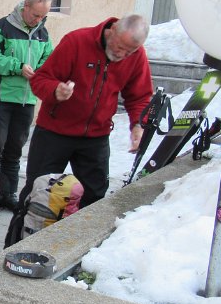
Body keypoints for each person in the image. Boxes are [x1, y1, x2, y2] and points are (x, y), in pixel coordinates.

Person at [18, 14, 153, 211]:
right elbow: (40, 80)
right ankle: (18, 241)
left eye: (130, 51)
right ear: (112, 30)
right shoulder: (77, 41)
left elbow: (140, 96)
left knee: (94, 196)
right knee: (38, 191)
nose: (123, 55)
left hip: (96, 137)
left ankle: (78, 241)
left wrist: (139, 125)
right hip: (55, 132)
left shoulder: (137, 56)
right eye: (120, 48)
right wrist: (56, 90)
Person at [0, 0, 54, 217]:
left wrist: (40, 72)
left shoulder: (43, 33)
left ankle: (7, 195)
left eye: (43, 16)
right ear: (25, 7)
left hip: (26, 98)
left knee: (15, 148)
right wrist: (17, 66)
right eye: (36, 15)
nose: (38, 20)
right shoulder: (3, 26)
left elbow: (48, 61)